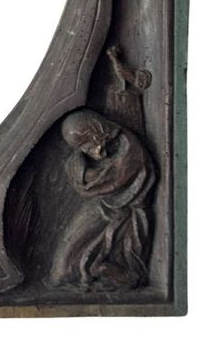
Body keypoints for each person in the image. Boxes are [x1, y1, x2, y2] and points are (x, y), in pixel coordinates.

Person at [48, 109, 155, 291]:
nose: (84, 150)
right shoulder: (95, 146)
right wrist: (83, 172)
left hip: (122, 210)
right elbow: (76, 165)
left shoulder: (127, 146)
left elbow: (119, 180)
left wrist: (90, 176)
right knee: (64, 262)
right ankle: (84, 271)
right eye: (79, 147)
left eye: (84, 143)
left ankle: (105, 271)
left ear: (95, 131)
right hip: (104, 205)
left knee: (72, 262)